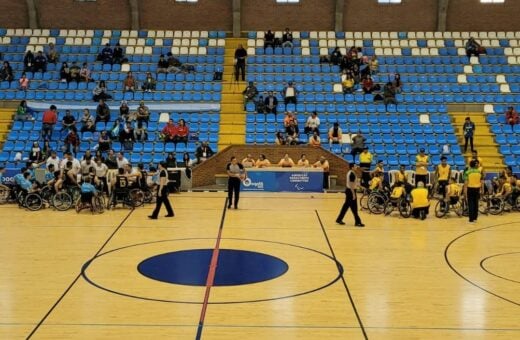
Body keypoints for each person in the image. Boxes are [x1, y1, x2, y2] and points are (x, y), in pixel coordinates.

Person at [336, 163, 364, 227]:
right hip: (351, 192)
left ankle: (339, 219)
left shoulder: (351, 173)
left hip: (349, 191)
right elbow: (351, 185)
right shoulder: (351, 174)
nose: (356, 167)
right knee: (354, 208)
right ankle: (358, 222)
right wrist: (353, 194)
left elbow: (354, 183)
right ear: (352, 167)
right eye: (355, 166)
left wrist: (361, 187)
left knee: (346, 207)